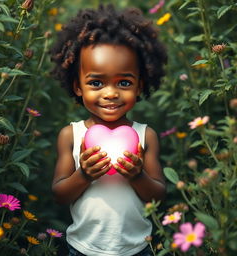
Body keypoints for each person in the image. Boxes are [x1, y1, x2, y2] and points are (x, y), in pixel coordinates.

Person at [50, 4, 167, 256]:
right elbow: (59, 194)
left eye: (124, 82)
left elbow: (157, 196)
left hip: (136, 248)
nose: (111, 93)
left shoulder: (146, 135)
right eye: (96, 82)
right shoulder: (71, 135)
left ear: (139, 86)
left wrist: (138, 176)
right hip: (83, 248)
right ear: (78, 86)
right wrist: (84, 175)